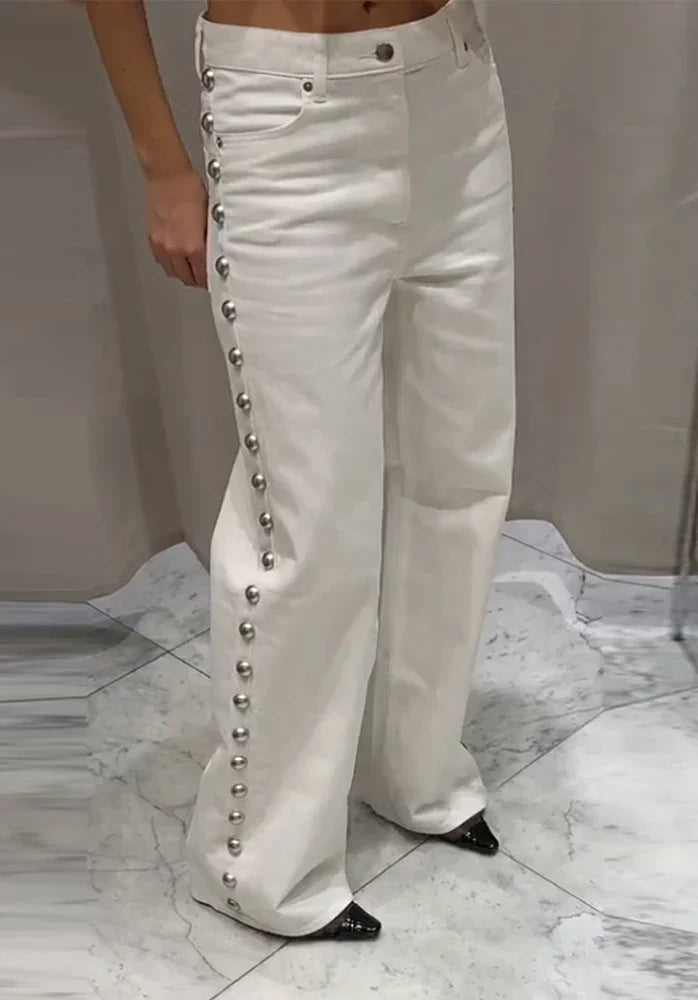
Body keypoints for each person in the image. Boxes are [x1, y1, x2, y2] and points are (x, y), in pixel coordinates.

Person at [83, 0, 515, 941]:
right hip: (288, 115)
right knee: (312, 521)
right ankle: (258, 863)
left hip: (455, 89)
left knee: (459, 469)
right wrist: (164, 165)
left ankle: (416, 769)